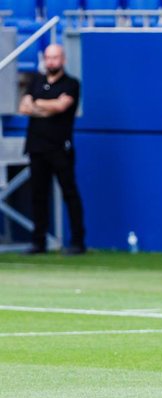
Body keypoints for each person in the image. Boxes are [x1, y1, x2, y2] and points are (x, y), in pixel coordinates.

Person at [19, 44, 86, 255]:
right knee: (38, 195)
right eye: (48, 58)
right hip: (36, 147)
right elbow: (23, 107)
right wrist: (47, 106)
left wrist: (37, 105)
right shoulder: (36, 81)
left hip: (60, 147)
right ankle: (39, 241)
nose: (51, 62)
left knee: (69, 193)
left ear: (63, 60)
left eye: (55, 58)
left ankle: (77, 241)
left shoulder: (71, 84)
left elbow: (61, 107)